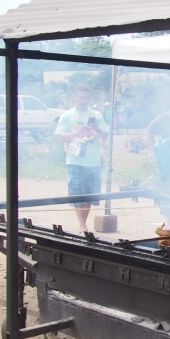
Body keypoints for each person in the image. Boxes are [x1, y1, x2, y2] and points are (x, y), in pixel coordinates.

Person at [54, 83, 110, 233]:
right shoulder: (67, 116)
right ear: (74, 97)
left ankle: (84, 223)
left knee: (90, 194)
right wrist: (75, 134)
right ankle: (82, 225)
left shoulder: (96, 115)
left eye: (86, 97)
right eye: (81, 97)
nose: (84, 101)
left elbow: (106, 134)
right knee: (78, 193)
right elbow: (59, 137)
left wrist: (96, 129)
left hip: (93, 161)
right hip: (75, 160)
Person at [144, 93, 170, 227]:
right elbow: (148, 132)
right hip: (167, 159)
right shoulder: (167, 117)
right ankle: (169, 221)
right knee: (167, 187)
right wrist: (153, 152)